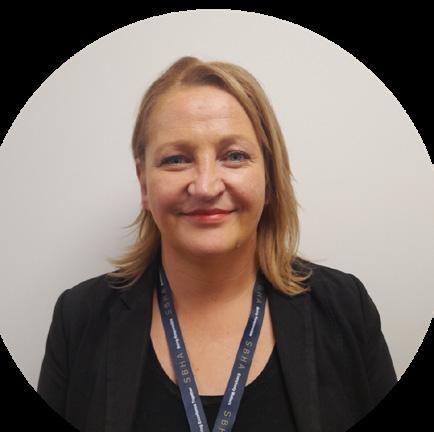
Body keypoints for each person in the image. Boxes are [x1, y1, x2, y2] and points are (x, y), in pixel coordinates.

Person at [37, 56, 397, 432]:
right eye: (176, 159)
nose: (206, 186)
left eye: (234, 156)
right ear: (143, 182)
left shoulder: (345, 308)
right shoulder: (78, 320)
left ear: (270, 178)